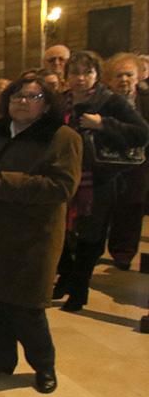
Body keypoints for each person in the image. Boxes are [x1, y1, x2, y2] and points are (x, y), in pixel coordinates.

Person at [0, 73, 82, 394]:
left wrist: (3, 183)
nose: (22, 102)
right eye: (16, 97)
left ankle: (43, 366)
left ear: (46, 104)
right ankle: (0, 360)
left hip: (32, 237)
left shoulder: (62, 137)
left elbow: (62, 186)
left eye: (32, 97)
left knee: (27, 308)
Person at [54, 51, 149, 309]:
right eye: (75, 72)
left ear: (96, 75)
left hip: (98, 179)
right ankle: (67, 277)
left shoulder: (110, 101)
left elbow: (141, 133)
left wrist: (103, 125)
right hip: (66, 173)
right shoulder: (62, 102)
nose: (81, 78)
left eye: (87, 72)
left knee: (90, 236)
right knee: (61, 231)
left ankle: (79, 289)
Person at [104, 53, 149, 270]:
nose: (124, 80)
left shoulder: (145, 101)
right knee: (104, 207)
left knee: (131, 207)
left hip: (139, 163)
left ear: (138, 76)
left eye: (128, 75)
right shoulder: (103, 102)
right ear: (109, 80)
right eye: (118, 75)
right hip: (108, 162)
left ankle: (123, 252)